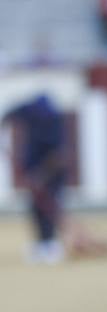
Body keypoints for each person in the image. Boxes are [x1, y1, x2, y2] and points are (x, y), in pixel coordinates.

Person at [3, 94, 69, 264]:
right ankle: (41, 244)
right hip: (33, 169)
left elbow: (58, 156)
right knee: (36, 208)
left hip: (53, 173)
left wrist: (42, 175)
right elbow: (8, 114)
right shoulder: (29, 110)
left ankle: (50, 244)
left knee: (49, 207)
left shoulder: (55, 123)